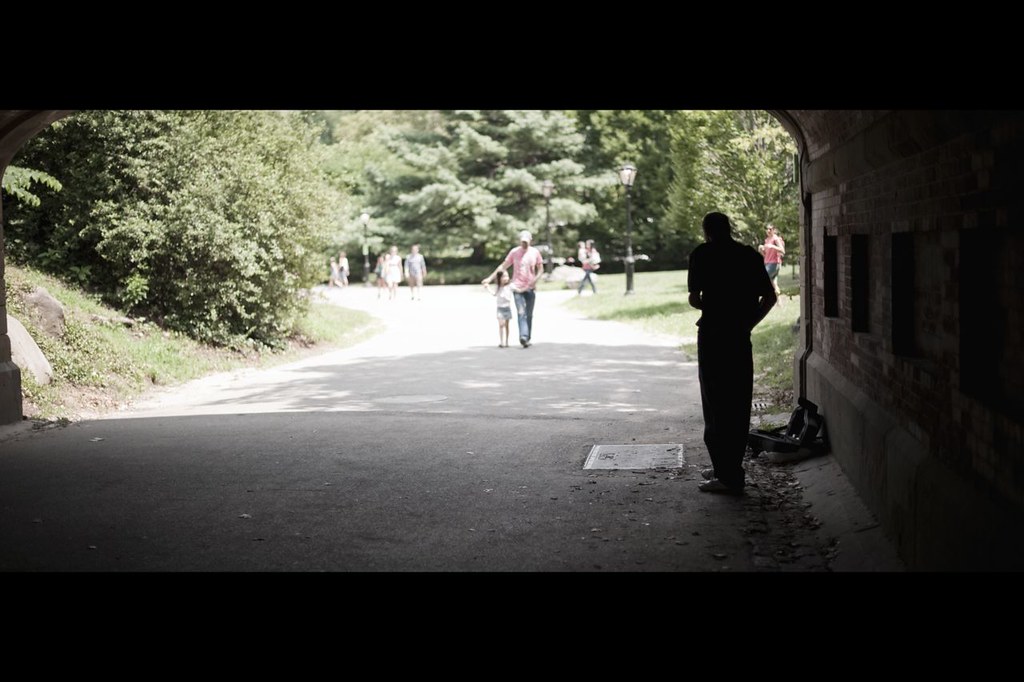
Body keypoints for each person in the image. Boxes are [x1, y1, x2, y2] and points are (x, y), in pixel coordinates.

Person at [688, 212, 778, 495]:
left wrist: (710, 303)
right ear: (729, 228)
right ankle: (729, 468)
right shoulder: (749, 256)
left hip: (713, 336)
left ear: (707, 231)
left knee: (714, 403)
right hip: (739, 336)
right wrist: (748, 322)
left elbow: (694, 298)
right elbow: (770, 297)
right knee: (738, 402)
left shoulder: (701, 254)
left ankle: (726, 476)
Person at [482, 230, 544, 348]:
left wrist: (534, 281)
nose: (524, 244)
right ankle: (523, 337)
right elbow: (502, 266)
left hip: (530, 287)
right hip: (517, 287)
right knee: (521, 312)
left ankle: (527, 337)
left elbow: (540, 270)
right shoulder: (514, 252)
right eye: (522, 242)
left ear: (530, 241)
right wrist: (490, 278)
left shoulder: (535, 252)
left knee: (529, 314)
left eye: (526, 242)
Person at [483, 269, 513, 347]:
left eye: (507, 276)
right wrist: (488, 288)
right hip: (500, 308)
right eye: (503, 276)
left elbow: (517, 289)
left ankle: (507, 341)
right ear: (499, 278)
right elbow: (494, 294)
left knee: (507, 325)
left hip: (507, 307)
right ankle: (501, 341)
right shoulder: (498, 287)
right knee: (501, 325)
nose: (506, 278)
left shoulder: (510, 286)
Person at [758, 223, 786, 296]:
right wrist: (761, 249)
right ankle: (779, 302)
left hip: (774, 263)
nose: (768, 230)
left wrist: (772, 246)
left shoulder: (776, 239)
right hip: (767, 263)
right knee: (774, 284)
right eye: (767, 229)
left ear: (774, 230)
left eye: (770, 229)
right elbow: (766, 255)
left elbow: (783, 251)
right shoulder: (767, 240)